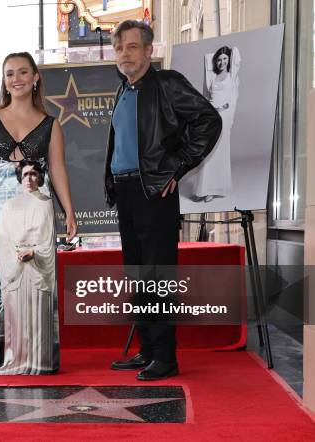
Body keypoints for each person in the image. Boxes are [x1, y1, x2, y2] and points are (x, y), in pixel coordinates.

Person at [106, 20, 221, 380]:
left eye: (133, 46)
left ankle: (166, 358)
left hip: (154, 191)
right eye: (120, 47)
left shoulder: (166, 83)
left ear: (149, 51)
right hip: (126, 191)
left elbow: (208, 119)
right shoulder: (123, 90)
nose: (125, 53)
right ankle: (148, 350)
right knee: (139, 276)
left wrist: (177, 167)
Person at [0, 51, 77, 375]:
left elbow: (58, 169)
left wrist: (69, 211)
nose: (16, 79)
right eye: (10, 74)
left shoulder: (51, 124)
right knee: (2, 274)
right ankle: (4, 344)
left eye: (23, 72)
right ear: (5, 81)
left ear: (35, 77)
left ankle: (39, 352)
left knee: (38, 272)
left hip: (37, 206)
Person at [0, 160, 56, 374]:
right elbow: (4, 240)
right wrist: (16, 255)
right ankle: (16, 361)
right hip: (16, 269)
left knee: (39, 319)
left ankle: (40, 363)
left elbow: (49, 240)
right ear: (19, 178)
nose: (29, 179)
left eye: (33, 174)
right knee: (17, 320)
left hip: (37, 270)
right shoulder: (9, 206)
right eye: (25, 175)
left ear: (40, 177)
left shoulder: (47, 203)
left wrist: (34, 252)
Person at [192, 46, 241, 202]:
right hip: (211, 115)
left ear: (229, 60)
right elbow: (206, 98)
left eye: (225, 59)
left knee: (219, 151)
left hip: (224, 116)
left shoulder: (233, 77)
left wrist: (227, 116)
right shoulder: (212, 77)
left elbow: (233, 100)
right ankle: (204, 188)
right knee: (208, 150)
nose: (222, 62)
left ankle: (214, 189)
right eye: (219, 59)